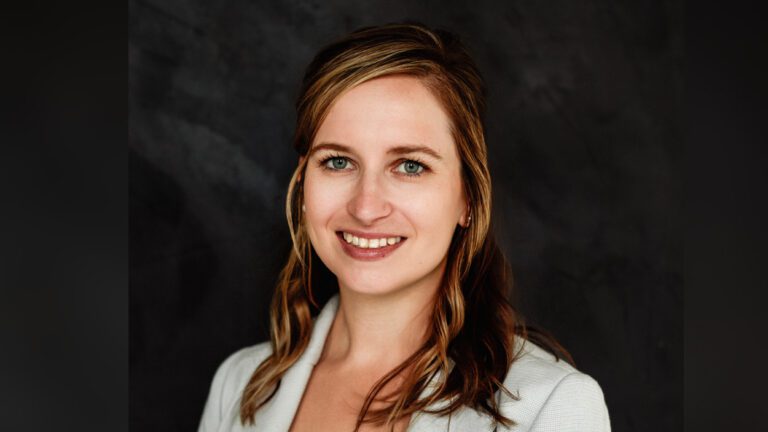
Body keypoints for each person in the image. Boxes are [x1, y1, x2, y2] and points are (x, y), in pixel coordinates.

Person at [198, 22, 610, 432]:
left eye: (410, 166)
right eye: (338, 161)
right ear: (304, 183)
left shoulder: (551, 406)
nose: (366, 206)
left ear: (468, 198)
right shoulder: (238, 386)